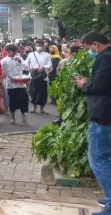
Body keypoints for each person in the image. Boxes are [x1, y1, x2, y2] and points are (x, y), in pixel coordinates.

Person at [74, 32, 111, 214]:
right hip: (105, 114)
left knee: (98, 159)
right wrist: (90, 82)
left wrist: (84, 85)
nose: (89, 52)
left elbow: (101, 87)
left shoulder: (105, 59)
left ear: (96, 44)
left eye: (88, 48)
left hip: (103, 115)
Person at [1, 44, 30, 124]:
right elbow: (0, 70)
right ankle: (12, 118)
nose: (12, 53)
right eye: (10, 51)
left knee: (24, 100)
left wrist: (20, 61)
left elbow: (27, 67)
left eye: (14, 51)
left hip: (21, 83)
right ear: (7, 52)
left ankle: (23, 114)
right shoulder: (4, 61)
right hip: (10, 84)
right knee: (12, 101)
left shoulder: (19, 58)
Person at [26, 40, 52, 114]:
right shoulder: (31, 54)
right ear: (35, 46)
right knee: (33, 92)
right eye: (37, 45)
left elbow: (50, 65)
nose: (39, 47)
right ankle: (34, 108)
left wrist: (43, 67)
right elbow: (26, 63)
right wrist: (29, 69)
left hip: (43, 76)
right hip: (34, 76)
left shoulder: (46, 55)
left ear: (43, 46)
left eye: (40, 45)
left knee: (43, 92)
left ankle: (42, 109)